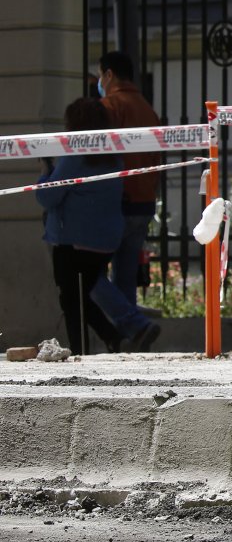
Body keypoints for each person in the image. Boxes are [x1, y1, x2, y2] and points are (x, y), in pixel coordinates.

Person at [37, 98, 127, 356]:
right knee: (78, 297)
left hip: (74, 241)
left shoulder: (74, 156)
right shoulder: (114, 156)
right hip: (105, 241)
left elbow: (48, 196)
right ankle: (112, 338)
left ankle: (84, 349)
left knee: (71, 299)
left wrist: (45, 172)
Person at [89, 50, 162, 351]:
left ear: (109, 75)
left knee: (87, 274)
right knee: (125, 278)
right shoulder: (147, 109)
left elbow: (98, 156)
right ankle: (132, 339)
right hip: (144, 202)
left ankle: (135, 325)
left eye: (100, 76)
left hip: (118, 201)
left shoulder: (109, 107)